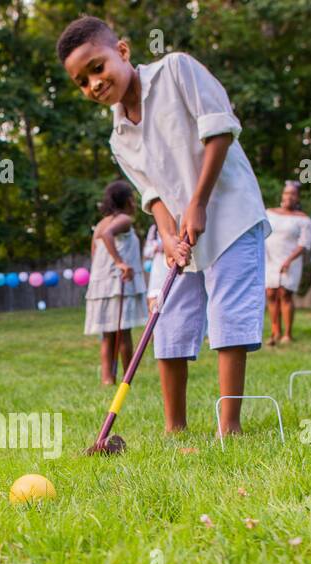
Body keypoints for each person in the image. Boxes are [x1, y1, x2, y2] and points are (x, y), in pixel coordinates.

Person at [58, 16, 269, 436]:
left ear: (121, 51)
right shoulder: (118, 137)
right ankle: (176, 429)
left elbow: (220, 130)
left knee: (228, 317)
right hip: (183, 231)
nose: (94, 84)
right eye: (82, 82)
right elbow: (152, 194)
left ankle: (230, 428)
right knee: (168, 321)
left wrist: (198, 203)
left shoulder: (176, 71)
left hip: (230, 214)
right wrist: (169, 236)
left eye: (97, 68)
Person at [85, 180, 148, 384]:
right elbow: (107, 235)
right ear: (129, 200)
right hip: (117, 283)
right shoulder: (124, 219)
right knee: (123, 332)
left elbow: (95, 252)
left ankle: (107, 378)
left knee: (108, 334)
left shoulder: (101, 222)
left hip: (102, 283)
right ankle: (127, 379)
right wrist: (120, 263)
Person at [264, 181, 311, 345]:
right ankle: (275, 330)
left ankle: (287, 333)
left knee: (285, 293)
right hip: (270, 258)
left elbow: (305, 243)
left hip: (291, 259)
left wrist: (289, 260)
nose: (289, 196)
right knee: (270, 293)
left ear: (297, 198)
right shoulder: (269, 213)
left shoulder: (303, 219)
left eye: (292, 194)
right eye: (286, 193)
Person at [143, 221, 170, 316]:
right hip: (157, 271)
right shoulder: (154, 229)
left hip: (169, 270)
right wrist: (156, 248)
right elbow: (147, 251)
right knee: (153, 304)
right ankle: (153, 329)